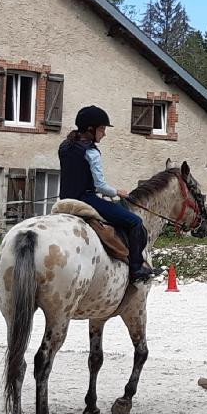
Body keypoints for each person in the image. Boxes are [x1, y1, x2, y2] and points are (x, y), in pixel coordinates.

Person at [58, 105, 152, 283]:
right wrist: (118, 192)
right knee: (135, 222)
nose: (104, 134)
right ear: (90, 129)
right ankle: (136, 269)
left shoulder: (65, 146)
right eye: (102, 129)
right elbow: (100, 186)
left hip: (65, 200)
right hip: (86, 199)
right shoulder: (91, 151)